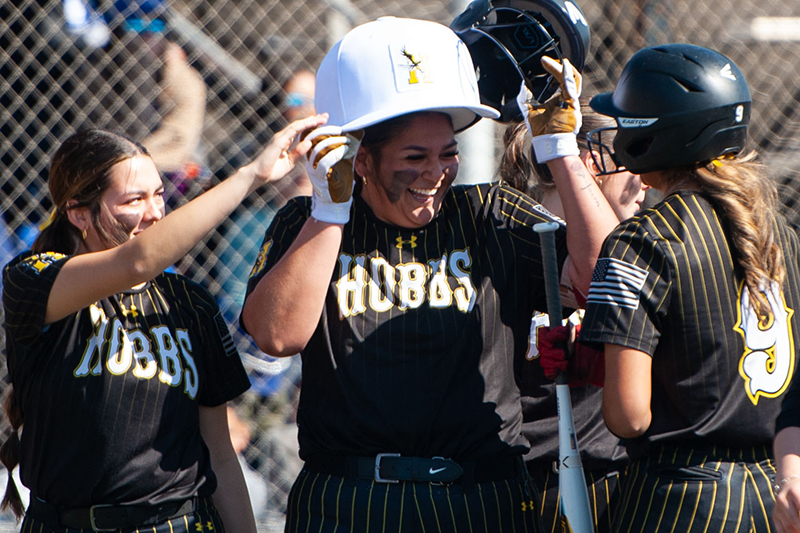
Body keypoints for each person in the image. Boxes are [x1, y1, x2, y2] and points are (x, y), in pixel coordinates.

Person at [240, 16, 619, 532]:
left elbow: (605, 283)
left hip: (480, 497)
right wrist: (328, 212)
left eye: (448, 154)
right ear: (362, 159)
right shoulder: (309, 222)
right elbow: (276, 335)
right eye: (413, 157)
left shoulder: (489, 213)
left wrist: (561, 150)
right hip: (349, 499)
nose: (436, 172)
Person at [0, 112, 327, 532]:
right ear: (78, 214)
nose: (156, 213)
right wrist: (252, 175)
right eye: (135, 199)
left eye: (159, 195)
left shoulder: (189, 303)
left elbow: (220, 452)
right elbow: (137, 261)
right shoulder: (34, 279)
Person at [574, 43, 800, 532]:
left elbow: (628, 416)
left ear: (659, 135)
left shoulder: (641, 238)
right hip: (775, 493)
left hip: (680, 499)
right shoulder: (781, 234)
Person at [499, 100, 648, 533]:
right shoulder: (510, 241)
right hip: (522, 477)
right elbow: (597, 268)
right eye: (633, 158)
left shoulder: (642, 245)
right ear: (592, 162)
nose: (646, 180)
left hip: (601, 475)